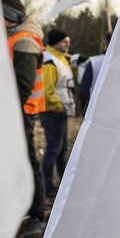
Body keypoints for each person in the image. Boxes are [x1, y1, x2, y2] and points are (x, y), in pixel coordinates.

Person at [2, 0, 46, 238]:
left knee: (28, 162)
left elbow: (23, 84)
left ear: (9, 16)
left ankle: (37, 217)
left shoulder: (24, 40)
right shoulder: (15, 37)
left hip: (22, 112)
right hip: (15, 111)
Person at [40, 29, 76, 196]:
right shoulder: (50, 62)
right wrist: (59, 106)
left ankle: (63, 181)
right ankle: (47, 185)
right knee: (54, 149)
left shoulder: (61, 59)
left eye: (68, 41)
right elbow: (47, 92)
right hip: (53, 112)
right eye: (64, 42)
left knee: (62, 148)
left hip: (61, 110)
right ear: (55, 42)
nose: (68, 44)